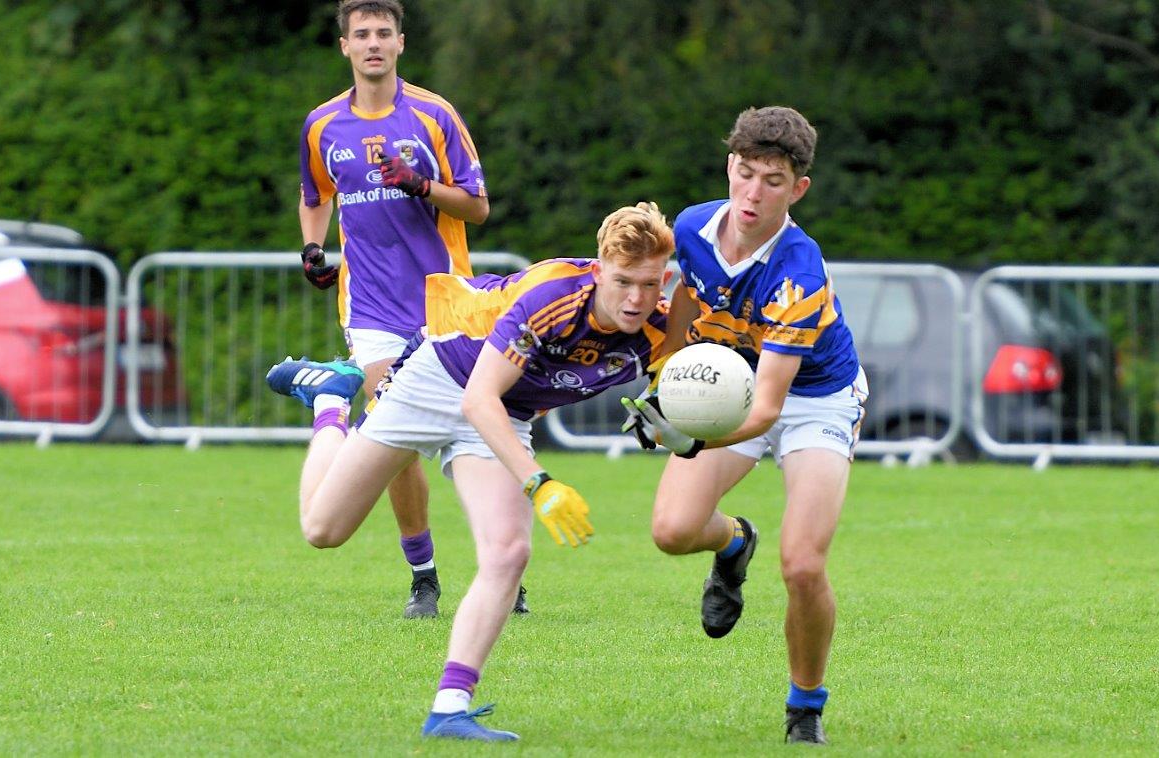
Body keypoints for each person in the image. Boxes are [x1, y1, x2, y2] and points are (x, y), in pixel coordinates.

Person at [268, 203, 675, 742]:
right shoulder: (553, 300)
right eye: (623, 282)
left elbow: (676, 402)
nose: (635, 299)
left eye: (648, 284)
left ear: (664, 278)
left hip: (504, 410)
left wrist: (675, 424)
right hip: (441, 379)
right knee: (323, 530)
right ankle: (328, 403)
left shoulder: (662, 327)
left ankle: (450, 708)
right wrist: (539, 483)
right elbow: (478, 400)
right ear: (599, 271)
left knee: (509, 551)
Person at [622, 107, 868, 745]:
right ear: (730, 165)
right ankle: (733, 544)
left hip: (813, 398)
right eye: (747, 172)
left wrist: (687, 436)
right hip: (732, 380)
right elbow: (686, 295)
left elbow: (766, 410)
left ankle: (805, 706)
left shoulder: (798, 270)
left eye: (775, 180)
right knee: (673, 531)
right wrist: (663, 380)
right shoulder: (695, 226)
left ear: (799, 188)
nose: (754, 193)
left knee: (803, 565)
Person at [297, 0, 510, 618]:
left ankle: (500, 564)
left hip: (447, 305)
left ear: (400, 43)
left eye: (382, 33)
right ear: (344, 46)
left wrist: (422, 186)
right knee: (394, 435)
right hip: (370, 308)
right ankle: (424, 574)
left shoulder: (433, 115)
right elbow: (315, 195)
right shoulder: (321, 125)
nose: (372, 44)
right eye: (360, 34)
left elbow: (477, 207)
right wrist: (312, 247)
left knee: (477, 433)